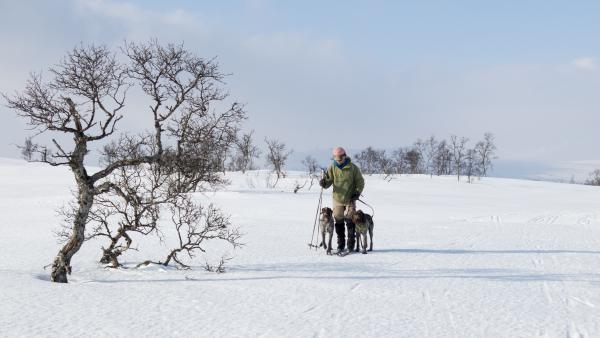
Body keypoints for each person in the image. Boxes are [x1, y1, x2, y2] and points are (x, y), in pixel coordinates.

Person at [319, 146, 365, 254]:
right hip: (337, 198)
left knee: (350, 220)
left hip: (350, 198)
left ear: (345, 156)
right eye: (336, 159)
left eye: (340, 158)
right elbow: (328, 182)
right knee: (338, 221)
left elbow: (360, 182)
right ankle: (340, 245)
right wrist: (323, 183)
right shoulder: (332, 167)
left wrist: (357, 193)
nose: (338, 161)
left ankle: (350, 244)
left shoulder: (353, 168)